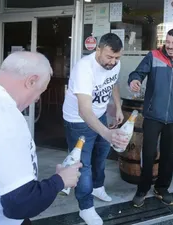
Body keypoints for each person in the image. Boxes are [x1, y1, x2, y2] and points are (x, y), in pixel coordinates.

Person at [0, 51, 82, 225]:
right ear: (31, 81)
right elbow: (19, 204)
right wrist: (60, 180)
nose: (37, 98)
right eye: (40, 90)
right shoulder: (5, 118)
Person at [62, 33, 127, 225]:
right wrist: (107, 133)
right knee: (84, 165)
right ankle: (86, 207)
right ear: (97, 49)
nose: (113, 62)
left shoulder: (115, 63)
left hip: (99, 114)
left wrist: (117, 107)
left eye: (117, 58)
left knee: (101, 154)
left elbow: (113, 83)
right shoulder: (84, 68)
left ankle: (98, 187)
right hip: (77, 120)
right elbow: (84, 110)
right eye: (109, 57)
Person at [128, 28, 173, 208]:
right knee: (148, 155)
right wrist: (134, 80)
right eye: (168, 42)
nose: (170, 46)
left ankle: (162, 188)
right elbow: (138, 73)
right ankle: (142, 189)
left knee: (168, 157)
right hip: (152, 116)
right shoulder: (154, 56)